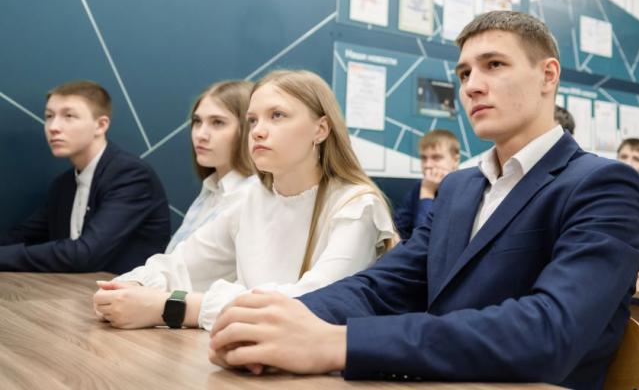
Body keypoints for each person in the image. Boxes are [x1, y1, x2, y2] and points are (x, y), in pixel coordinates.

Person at [208, 11, 639, 390]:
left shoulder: (603, 184)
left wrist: (339, 343)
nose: (472, 86)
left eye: (494, 65)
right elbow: (383, 286)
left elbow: (548, 332)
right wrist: (280, 322)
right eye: (464, 73)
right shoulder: (458, 188)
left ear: (548, 75)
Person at [92, 70, 397, 331]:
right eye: (252, 120)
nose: (258, 131)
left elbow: (312, 304)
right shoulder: (249, 197)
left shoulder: (357, 206)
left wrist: (173, 307)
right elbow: (183, 264)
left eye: (277, 116)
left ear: (320, 129)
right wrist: (130, 287)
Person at [0, 81, 169, 273]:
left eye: (69, 116)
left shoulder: (130, 175)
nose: (53, 127)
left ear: (101, 125)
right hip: (71, 288)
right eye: (49, 116)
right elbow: (21, 236)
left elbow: (85, 254)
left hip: (126, 289)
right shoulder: (64, 184)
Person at [165, 80, 262, 253]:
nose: (200, 135)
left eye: (217, 122)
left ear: (249, 129)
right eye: (197, 121)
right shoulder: (212, 190)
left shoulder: (253, 196)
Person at [393, 129, 460, 240]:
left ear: (455, 160)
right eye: (424, 158)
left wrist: (427, 193)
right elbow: (399, 227)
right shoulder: (420, 186)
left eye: (436, 157)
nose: (428, 165)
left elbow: (427, 239)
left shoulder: (464, 191)